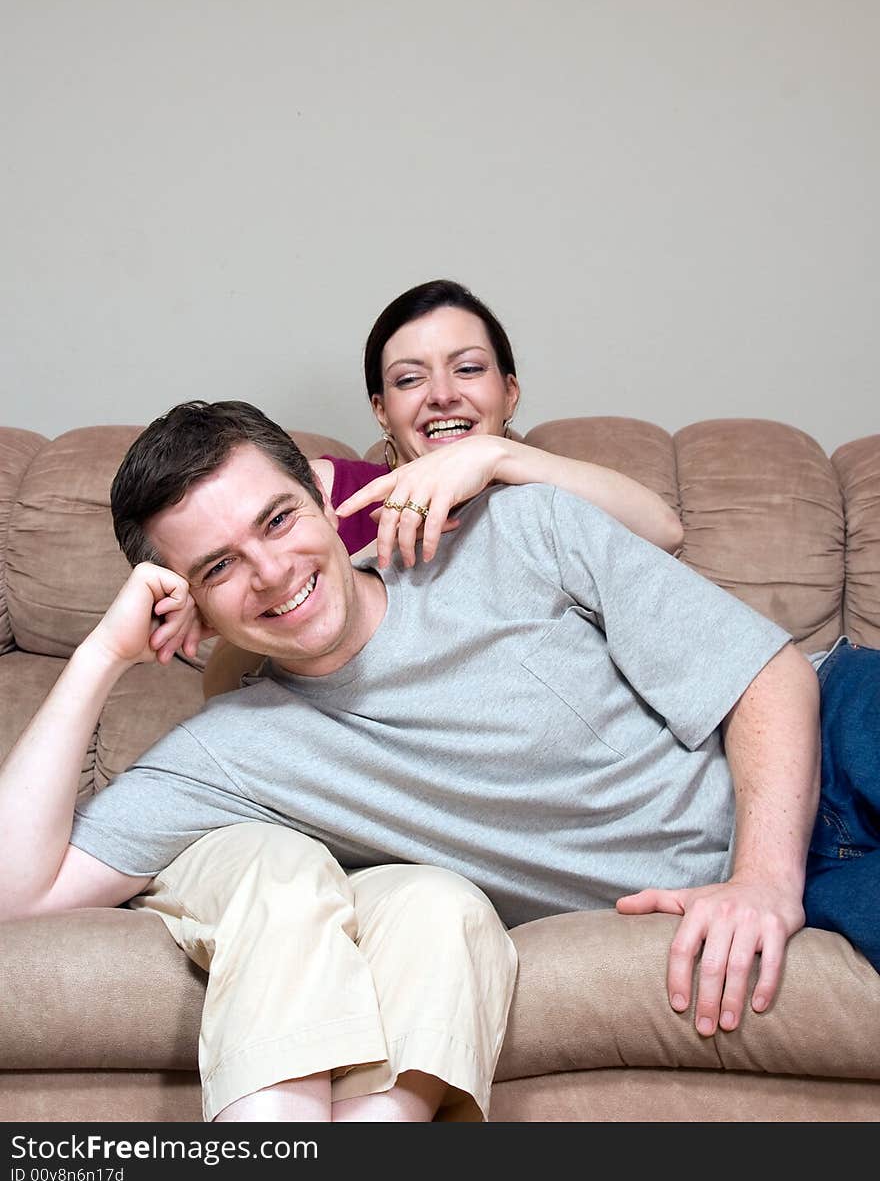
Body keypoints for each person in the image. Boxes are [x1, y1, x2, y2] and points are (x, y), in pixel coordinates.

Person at [2, 402, 875, 1124]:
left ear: (321, 494)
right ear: (182, 600)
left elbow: (769, 674)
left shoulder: (519, 532)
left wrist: (761, 881)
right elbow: (19, 894)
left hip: (834, 739)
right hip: (826, 879)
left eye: (278, 519)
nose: (272, 573)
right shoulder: (227, 752)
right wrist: (100, 656)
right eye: (219, 566)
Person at [203, 279, 682, 696]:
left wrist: (498, 454)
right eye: (410, 379)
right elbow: (224, 685)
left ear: (509, 392)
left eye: (469, 369)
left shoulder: (541, 496)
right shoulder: (331, 500)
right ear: (381, 410)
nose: (442, 394)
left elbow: (663, 531)